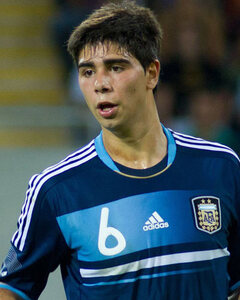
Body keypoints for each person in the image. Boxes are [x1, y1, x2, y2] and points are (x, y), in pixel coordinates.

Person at [0, 1, 240, 299]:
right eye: (87, 72)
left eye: (115, 67)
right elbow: (11, 289)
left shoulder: (220, 167)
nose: (100, 83)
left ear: (152, 73)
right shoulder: (57, 189)